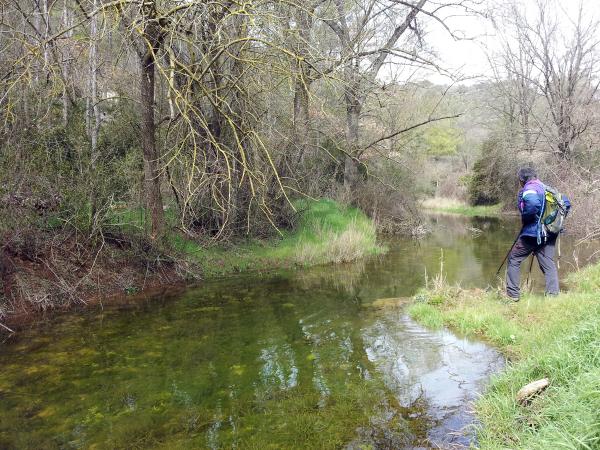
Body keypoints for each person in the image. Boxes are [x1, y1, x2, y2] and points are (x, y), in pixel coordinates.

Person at [506, 167, 570, 300]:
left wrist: (527, 219)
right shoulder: (547, 188)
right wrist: (552, 223)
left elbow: (533, 204)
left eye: (519, 181)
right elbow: (566, 202)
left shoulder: (530, 188)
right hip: (550, 233)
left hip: (533, 234)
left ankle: (513, 295)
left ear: (521, 180)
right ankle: (553, 296)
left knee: (514, 259)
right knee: (548, 263)